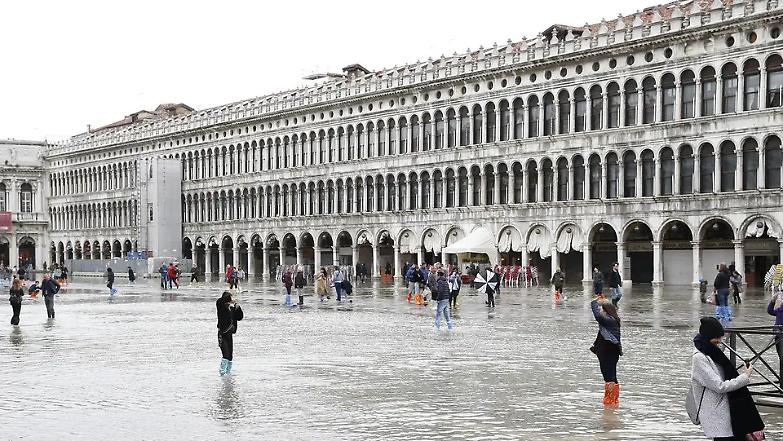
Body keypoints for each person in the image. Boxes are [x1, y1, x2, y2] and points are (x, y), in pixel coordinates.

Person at [691, 317, 764, 440]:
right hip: (719, 417)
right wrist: (745, 377)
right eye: (716, 338)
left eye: (720, 337)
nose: (720, 341)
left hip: (729, 413)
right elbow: (719, 386)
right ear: (707, 337)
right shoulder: (700, 358)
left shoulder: (711, 351)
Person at [590, 297, 622, 406]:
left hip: (608, 353)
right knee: (611, 376)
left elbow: (598, 316)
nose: (601, 312)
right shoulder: (612, 319)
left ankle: (610, 402)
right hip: (610, 352)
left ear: (606, 311)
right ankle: (613, 401)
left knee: (609, 377)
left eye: (602, 310)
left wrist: (594, 303)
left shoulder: (610, 320)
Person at [216, 291, 244, 376]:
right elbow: (220, 301)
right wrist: (230, 299)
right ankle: (222, 373)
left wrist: (238, 308)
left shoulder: (231, 309)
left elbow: (239, 317)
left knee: (230, 356)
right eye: (229, 298)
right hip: (222, 334)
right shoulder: (221, 307)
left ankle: (228, 373)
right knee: (225, 355)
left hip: (229, 334)